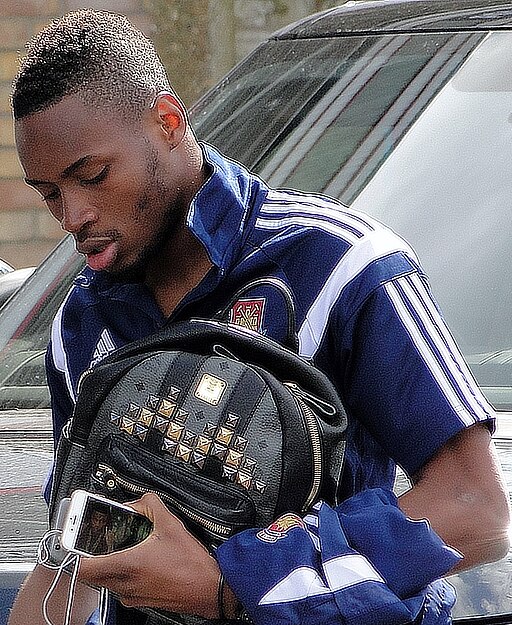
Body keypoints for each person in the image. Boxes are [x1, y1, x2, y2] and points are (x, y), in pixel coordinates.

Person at [8, 9, 510, 625]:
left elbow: (476, 509)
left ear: (167, 122)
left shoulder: (339, 267)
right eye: (50, 193)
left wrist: (235, 585)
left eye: (92, 177)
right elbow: (77, 549)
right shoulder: (80, 326)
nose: (73, 214)